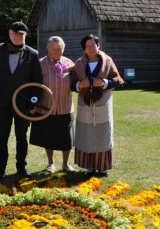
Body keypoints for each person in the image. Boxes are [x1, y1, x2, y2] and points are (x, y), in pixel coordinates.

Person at [0, 22, 43, 178]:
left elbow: (37, 81)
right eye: (15, 34)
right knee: (2, 137)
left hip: (23, 105)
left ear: (25, 36)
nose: (18, 37)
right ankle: (1, 169)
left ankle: (21, 167)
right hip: (2, 103)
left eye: (21, 34)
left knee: (21, 137)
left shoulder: (32, 53)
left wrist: (33, 103)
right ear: (9, 33)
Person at [70, 34, 124, 177]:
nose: (91, 48)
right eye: (87, 46)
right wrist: (80, 85)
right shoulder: (79, 64)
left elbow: (117, 80)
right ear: (84, 49)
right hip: (85, 103)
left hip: (103, 101)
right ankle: (89, 167)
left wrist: (104, 83)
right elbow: (71, 84)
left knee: (102, 133)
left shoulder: (107, 61)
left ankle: (102, 167)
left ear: (98, 46)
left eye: (93, 45)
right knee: (86, 133)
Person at [29, 36, 76, 173]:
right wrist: (34, 103)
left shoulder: (70, 64)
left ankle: (65, 164)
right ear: (48, 49)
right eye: (53, 49)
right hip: (46, 107)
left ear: (63, 48)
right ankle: (51, 163)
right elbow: (34, 85)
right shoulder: (40, 64)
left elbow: (77, 82)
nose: (56, 52)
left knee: (66, 138)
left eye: (59, 49)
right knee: (48, 136)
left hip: (65, 106)